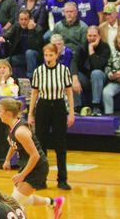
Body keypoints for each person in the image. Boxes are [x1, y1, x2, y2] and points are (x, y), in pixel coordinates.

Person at [0, 98, 66, 217]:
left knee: (14, 204)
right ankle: (54, 202)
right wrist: (8, 160)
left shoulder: (21, 132)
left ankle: (53, 203)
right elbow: (14, 145)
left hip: (37, 168)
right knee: (22, 199)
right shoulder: (13, 126)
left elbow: (35, 156)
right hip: (27, 165)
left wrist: (22, 175)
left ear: (8, 113)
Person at [29, 44, 75, 191]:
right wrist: (30, 113)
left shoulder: (64, 70)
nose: (48, 58)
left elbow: (69, 92)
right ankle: (41, 180)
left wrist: (72, 112)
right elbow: (34, 93)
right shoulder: (38, 71)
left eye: (51, 55)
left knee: (60, 144)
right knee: (41, 144)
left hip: (59, 106)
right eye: (46, 55)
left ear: (56, 55)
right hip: (43, 106)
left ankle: (62, 179)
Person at [103, 32, 120, 115]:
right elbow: (108, 67)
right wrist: (110, 75)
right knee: (106, 92)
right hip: (116, 81)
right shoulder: (114, 53)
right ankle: (109, 116)